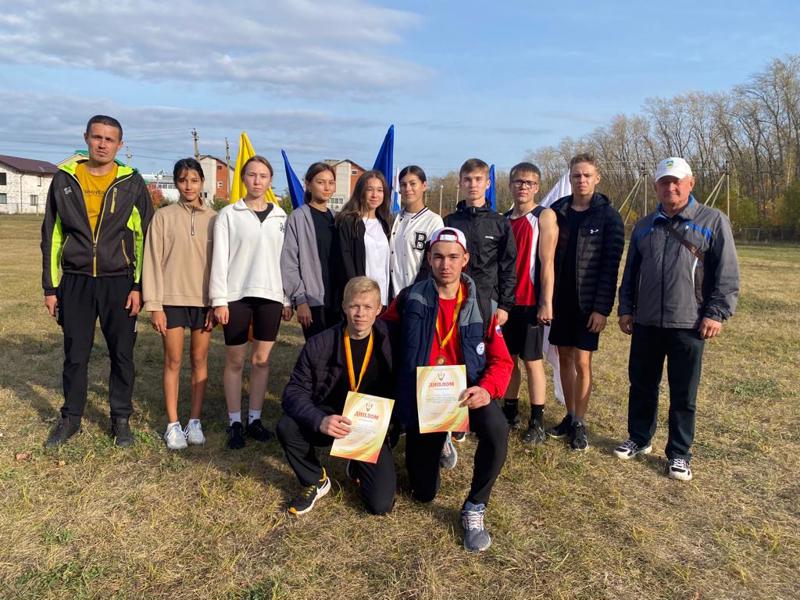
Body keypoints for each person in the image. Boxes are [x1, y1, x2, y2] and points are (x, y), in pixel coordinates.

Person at [383, 227, 513, 552]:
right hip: (424, 399)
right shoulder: (409, 297)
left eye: (453, 257)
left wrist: (487, 389)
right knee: (423, 492)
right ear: (429, 259)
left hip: (466, 393)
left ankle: (475, 507)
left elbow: (502, 361)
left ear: (465, 259)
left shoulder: (483, 305)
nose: (445, 264)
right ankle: (440, 440)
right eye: (438, 257)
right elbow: (380, 335)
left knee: (497, 429)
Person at [614, 157, 739, 481]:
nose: (670, 188)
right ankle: (639, 438)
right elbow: (631, 273)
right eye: (664, 182)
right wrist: (626, 308)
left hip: (689, 322)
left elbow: (727, 274)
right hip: (647, 323)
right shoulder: (644, 225)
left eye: (676, 182)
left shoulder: (712, 220)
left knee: (684, 393)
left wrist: (716, 313)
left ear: (690, 183)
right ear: (656, 186)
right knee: (642, 385)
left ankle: (679, 453)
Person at [41, 115, 154, 448]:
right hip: (75, 281)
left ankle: (120, 419)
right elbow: (52, 235)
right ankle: (71, 418)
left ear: (120, 145)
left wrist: (139, 286)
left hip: (119, 281)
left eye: (110, 139)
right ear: (86, 138)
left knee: (122, 355)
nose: (103, 144)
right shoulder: (64, 179)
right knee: (75, 353)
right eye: (97, 137)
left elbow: (147, 237)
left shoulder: (131, 182)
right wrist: (50, 287)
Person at [278, 277, 396, 516]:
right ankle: (315, 479)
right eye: (354, 306)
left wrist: (392, 426)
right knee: (287, 426)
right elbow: (293, 392)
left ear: (379, 310)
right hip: (331, 419)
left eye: (367, 307)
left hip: (370, 427)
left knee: (380, 505)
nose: (360, 314)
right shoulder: (320, 343)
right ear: (343, 306)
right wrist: (319, 420)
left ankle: (357, 461)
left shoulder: (392, 341)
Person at [209, 156, 292, 450]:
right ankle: (235, 422)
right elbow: (219, 259)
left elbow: (286, 261)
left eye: (263, 176)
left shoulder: (282, 218)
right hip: (235, 297)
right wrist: (219, 300)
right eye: (252, 175)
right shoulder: (229, 214)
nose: (257, 181)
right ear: (243, 179)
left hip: (270, 296)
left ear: (270, 181)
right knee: (235, 360)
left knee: (261, 360)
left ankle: (255, 419)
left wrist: (286, 298)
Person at [547, 153, 624, 451]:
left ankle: (580, 421)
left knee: (582, 361)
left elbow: (610, 266)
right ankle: (568, 414)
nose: (581, 180)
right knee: (564, 359)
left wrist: (601, 309)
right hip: (560, 301)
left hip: (589, 303)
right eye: (576, 175)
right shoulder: (557, 212)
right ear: (570, 177)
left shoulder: (608, 216)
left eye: (586, 175)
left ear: (597, 178)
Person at [142, 158, 215, 450]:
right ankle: (173, 423)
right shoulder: (163, 217)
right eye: (183, 180)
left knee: (200, 361)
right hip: (171, 300)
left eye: (194, 180)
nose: (189, 186)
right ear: (176, 183)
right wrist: (154, 304)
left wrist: (216, 302)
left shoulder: (215, 218)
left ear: (202, 183)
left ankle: (194, 421)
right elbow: (152, 261)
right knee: (172, 361)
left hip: (204, 302)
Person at [442, 159, 516, 444]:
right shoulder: (450, 221)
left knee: (481, 357)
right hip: (453, 300)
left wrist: (505, 305)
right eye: (467, 179)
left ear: (488, 184)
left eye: (478, 179)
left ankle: (482, 407)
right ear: (460, 183)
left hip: (487, 305)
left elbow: (509, 267)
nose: (473, 185)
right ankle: (455, 415)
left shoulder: (499, 224)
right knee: (454, 354)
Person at [500, 162, 557, 444]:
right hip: (506, 303)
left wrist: (546, 302)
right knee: (508, 361)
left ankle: (537, 420)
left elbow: (547, 264)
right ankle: (510, 411)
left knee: (532, 361)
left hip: (531, 302)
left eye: (529, 183)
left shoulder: (544, 216)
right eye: (519, 182)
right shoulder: (503, 219)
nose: (523, 187)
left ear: (537, 187)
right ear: (510, 185)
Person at [281, 162, 340, 339]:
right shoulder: (298, 218)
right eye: (321, 182)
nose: (327, 187)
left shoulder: (337, 218)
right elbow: (289, 262)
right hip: (313, 301)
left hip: (337, 300)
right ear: (308, 184)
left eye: (331, 182)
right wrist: (300, 300)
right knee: (317, 354)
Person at [334, 170, 393, 308]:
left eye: (379, 190)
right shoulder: (349, 222)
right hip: (360, 299)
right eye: (369, 190)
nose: (375, 195)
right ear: (361, 192)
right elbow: (345, 259)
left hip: (383, 298)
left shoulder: (386, 223)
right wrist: (357, 293)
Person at [389, 165, 443, 297]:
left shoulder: (434, 221)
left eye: (413, 184)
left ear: (424, 186)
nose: (408, 189)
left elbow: (430, 264)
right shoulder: (394, 219)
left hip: (418, 294)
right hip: (392, 296)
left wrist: (414, 293)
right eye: (403, 184)